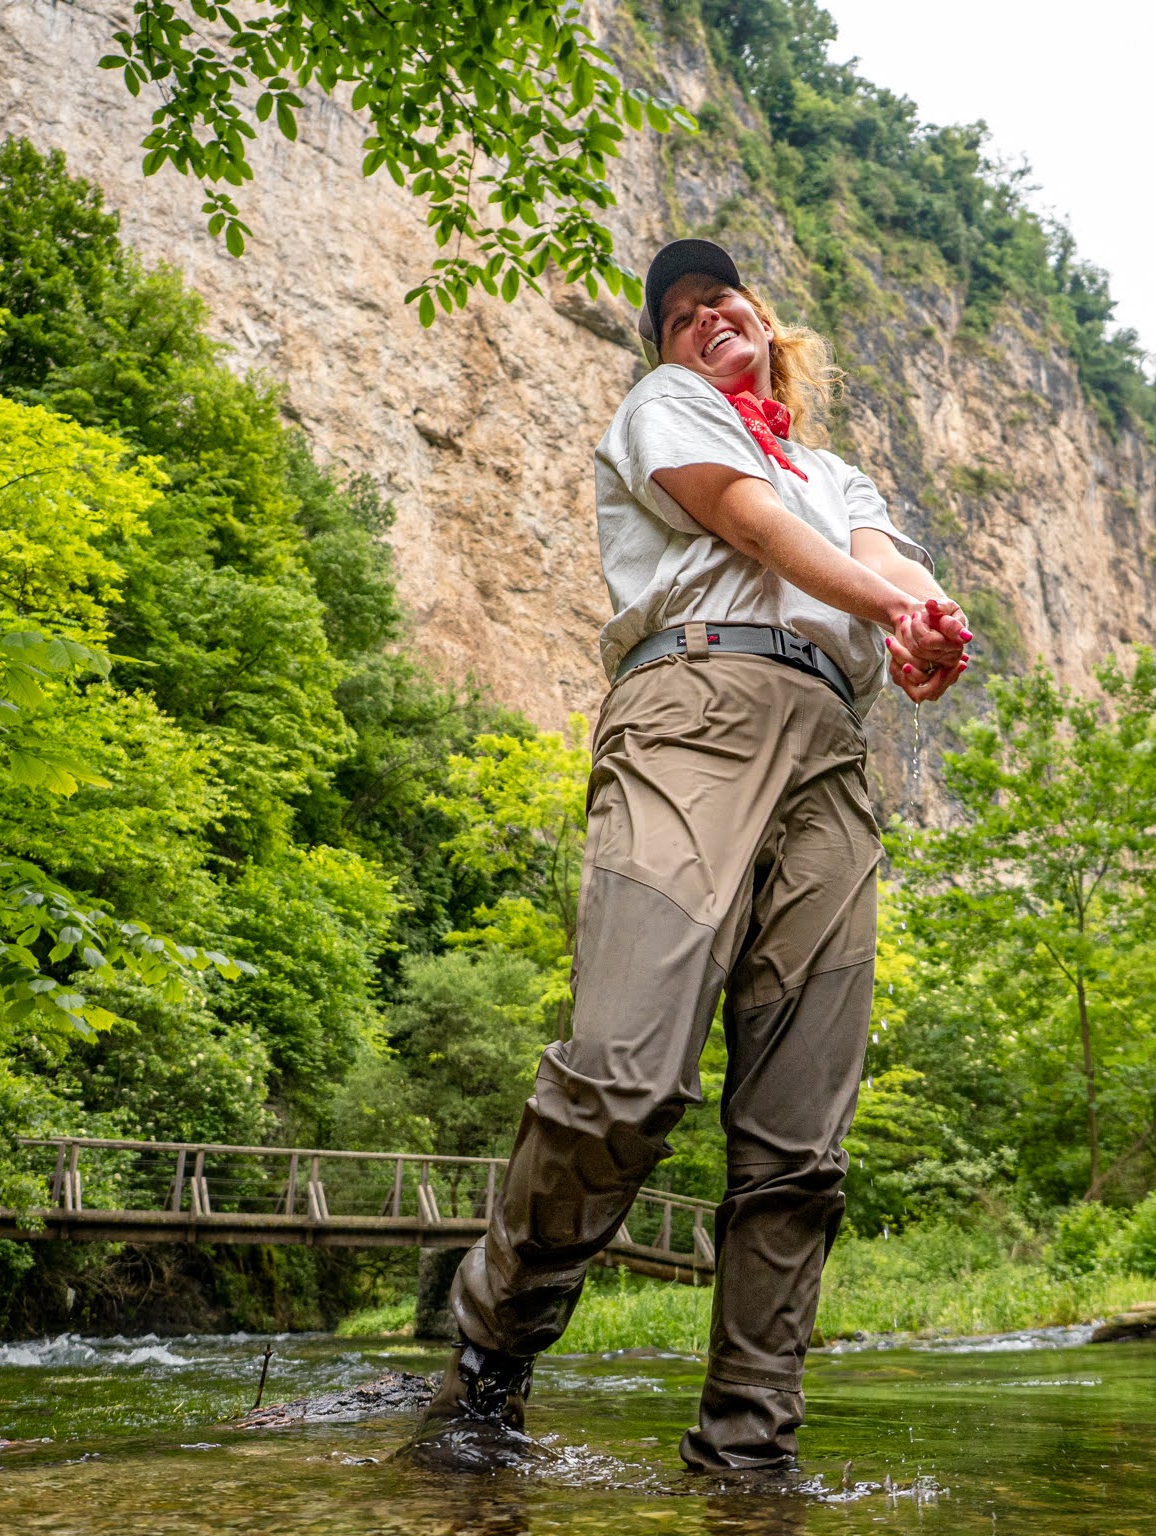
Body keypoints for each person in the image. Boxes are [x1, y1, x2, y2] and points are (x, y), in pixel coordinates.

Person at [409, 238, 970, 1474]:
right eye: (677, 315)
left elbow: (886, 559)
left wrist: (925, 614)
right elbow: (743, 520)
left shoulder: (833, 470)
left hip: (829, 755)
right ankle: (487, 1356)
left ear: (764, 319)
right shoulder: (667, 405)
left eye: (721, 300)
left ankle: (748, 1457)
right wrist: (889, 613)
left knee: (798, 1146)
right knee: (622, 1078)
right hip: (691, 709)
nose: (703, 317)